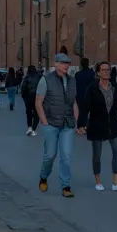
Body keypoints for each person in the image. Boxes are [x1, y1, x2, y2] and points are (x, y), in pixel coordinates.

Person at [78, 61, 117, 192]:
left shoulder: (116, 87)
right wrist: (81, 124)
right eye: (104, 70)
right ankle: (98, 181)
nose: (106, 72)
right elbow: (85, 108)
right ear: (98, 72)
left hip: (113, 124)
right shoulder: (92, 88)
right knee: (97, 154)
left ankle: (116, 182)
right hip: (97, 124)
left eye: (108, 69)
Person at [37, 52, 80, 198]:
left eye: (67, 63)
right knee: (50, 155)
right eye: (63, 63)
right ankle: (43, 176)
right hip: (51, 123)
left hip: (67, 124)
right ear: (55, 64)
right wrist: (44, 121)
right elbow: (38, 102)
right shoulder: (46, 79)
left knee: (66, 156)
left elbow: (74, 102)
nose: (66, 65)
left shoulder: (72, 81)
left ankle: (65, 186)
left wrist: (77, 121)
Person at [20, 65, 40, 135]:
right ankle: (34, 129)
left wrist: (24, 96)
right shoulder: (39, 77)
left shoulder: (26, 77)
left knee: (28, 113)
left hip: (28, 97)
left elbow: (23, 87)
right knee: (37, 113)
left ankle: (29, 127)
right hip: (37, 97)